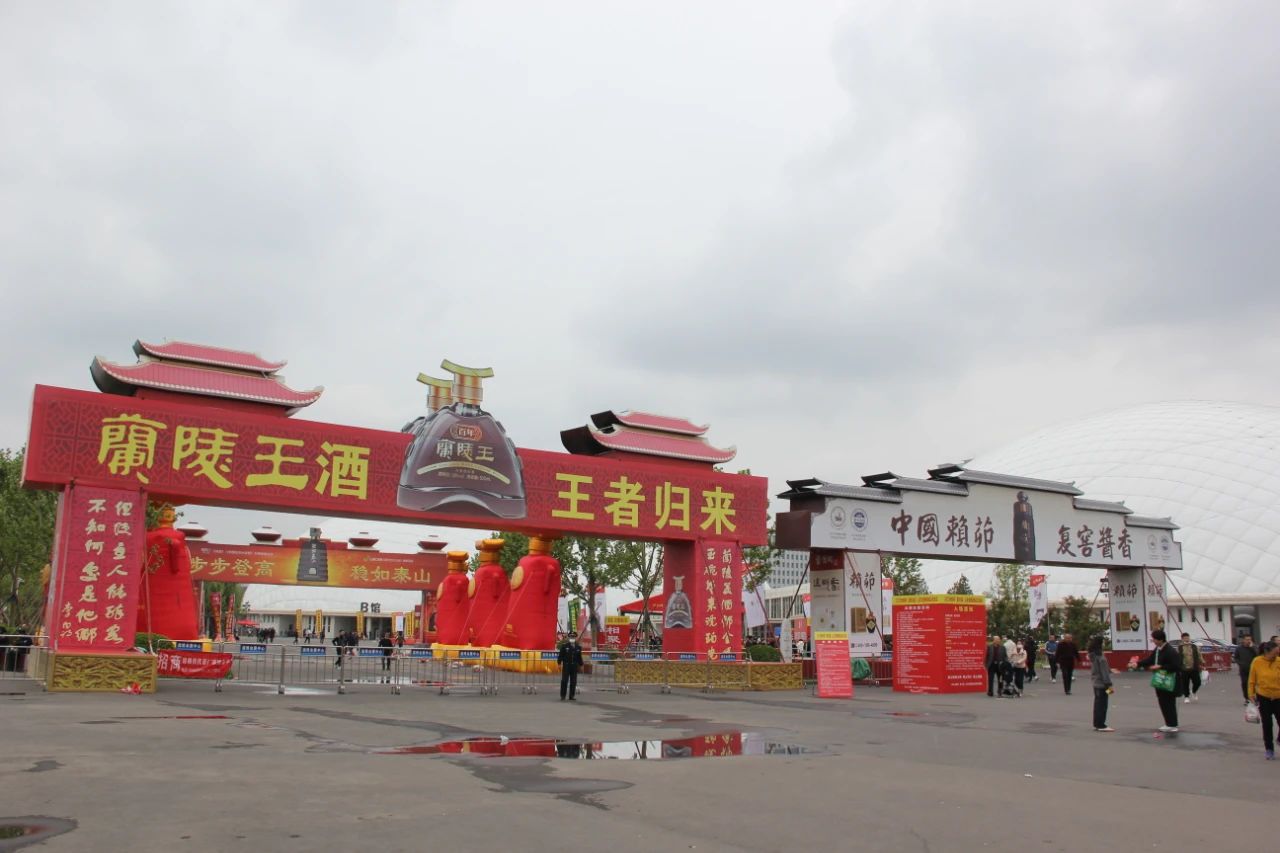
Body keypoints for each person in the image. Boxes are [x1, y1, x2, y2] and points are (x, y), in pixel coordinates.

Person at [1129, 629, 1182, 733]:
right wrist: (1138, 664)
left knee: (1169, 702)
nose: (1153, 641)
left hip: (1169, 681)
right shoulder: (1158, 649)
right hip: (1160, 679)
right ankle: (1168, 723)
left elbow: (1176, 666)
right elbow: (1150, 660)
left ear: (1160, 639)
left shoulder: (1170, 651)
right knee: (1162, 701)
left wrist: (1161, 666)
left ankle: (1173, 725)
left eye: (1154, 639)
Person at [1246, 640, 1280, 760]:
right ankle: (1269, 749)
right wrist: (1251, 693)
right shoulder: (1257, 661)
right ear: (1267, 651)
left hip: (1278, 697)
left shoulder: (1278, 661)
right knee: (1267, 724)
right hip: (1264, 697)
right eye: (1274, 652)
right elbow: (1252, 679)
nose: (1276, 655)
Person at [1088, 635, 1115, 732]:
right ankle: (1101, 725)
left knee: (1097, 705)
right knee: (1102, 705)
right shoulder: (1101, 658)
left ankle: (1097, 723)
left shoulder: (1093, 655)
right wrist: (1109, 685)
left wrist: (1110, 670)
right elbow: (1104, 673)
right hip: (1102, 684)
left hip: (1096, 683)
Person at [1177, 632, 1203, 704]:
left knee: (1198, 682)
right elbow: (1177, 657)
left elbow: (1199, 655)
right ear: (1182, 639)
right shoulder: (1180, 647)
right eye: (1185, 638)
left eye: (1187, 637)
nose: (1187, 639)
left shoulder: (1194, 646)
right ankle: (1186, 697)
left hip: (1194, 667)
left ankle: (1194, 691)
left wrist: (1202, 662)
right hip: (1184, 668)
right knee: (1185, 683)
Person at [558, 635, 584, 701]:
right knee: (564, 681)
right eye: (571, 637)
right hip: (566, 665)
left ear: (575, 638)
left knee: (573, 681)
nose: (572, 638)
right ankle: (563, 695)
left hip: (574, 666)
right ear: (569, 638)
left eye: (573, 637)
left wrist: (581, 665)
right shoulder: (564, 646)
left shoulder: (578, 647)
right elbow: (560, 655)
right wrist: (559, 663)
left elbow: (579, 657)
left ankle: (571, 696)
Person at [1234, 635, 1258, 704]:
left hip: (1253, 669)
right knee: (1245, 684)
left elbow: (1258, 655)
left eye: (1250, 639)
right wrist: (1240, 663)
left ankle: (1253, 697)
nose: (1248, 641)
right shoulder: (1239, 648)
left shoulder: (1254, 647)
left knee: (1253, 684)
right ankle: (1247, 698)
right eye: (1247, 639)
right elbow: (1236, 657)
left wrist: (1252, 648)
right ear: (1243, 640)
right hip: (1243, 670)